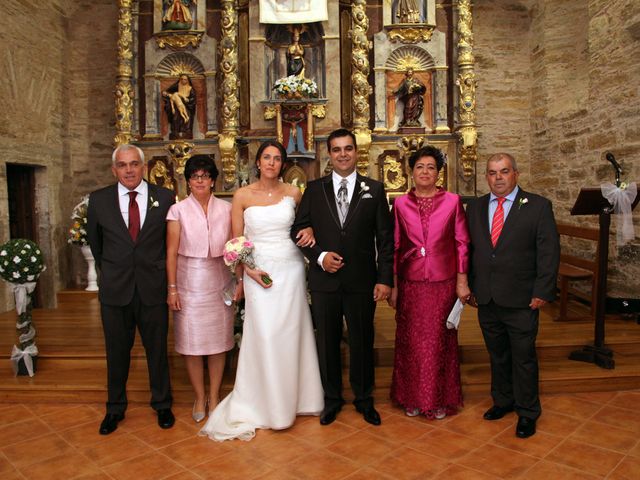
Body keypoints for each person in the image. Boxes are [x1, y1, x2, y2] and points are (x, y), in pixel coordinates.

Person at [199, 140, 323, 441]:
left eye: (277, 158)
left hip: (291, 270)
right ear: (258, 162)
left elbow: (307, 228)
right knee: (265, 334)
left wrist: (310, 232)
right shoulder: (242, 195)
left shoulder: (294, 193)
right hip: (259, 273)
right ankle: (265, 402)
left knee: (291, 332)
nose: (272, 163)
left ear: (283, 164)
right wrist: (247, 272)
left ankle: (299, 400)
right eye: (267, 157)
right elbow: (236, 240)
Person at [291, 128, 394, 426]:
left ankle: (364, 398)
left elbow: (385, 240)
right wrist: (320, 257)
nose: (343, 154)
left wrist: (385, 278)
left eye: (348, 148)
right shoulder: (314, 189)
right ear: (329, 154)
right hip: (325, 282)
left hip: (362, 280)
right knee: (327, 342)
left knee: (363, 340)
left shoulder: (374, 189)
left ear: (356, 152)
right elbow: (297, 230)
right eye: (337, 150)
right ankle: (332, 399)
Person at [466, 153, 560, 439]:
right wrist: (470, 286)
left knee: (523, 358)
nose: (498, 178)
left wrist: (542, 291)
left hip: (522, 299)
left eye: (504, 171)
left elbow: (549, 252)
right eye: (492, 173)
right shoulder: (475, 206)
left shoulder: (538, 207)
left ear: (515, 174)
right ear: (486, 177)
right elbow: (469, 251)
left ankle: (528, 411)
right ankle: (503, 401)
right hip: (487, 298)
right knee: (497, 355)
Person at [86, 144, 176, 435]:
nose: (129, 170)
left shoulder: (165, 197)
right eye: (122, 165)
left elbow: (168, 243)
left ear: (144, 166)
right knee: (116, 351)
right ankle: (114, 408)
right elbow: (96, 246)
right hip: (116, 291)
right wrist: (113, 272)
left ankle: (162, 404)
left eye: (134, 164)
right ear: (114, 170)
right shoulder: (99, 201)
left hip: (152, 287)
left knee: (158, 350)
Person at [389, 146, 470, 419]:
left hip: (443, 282)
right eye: (420, 167)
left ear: (438, 172)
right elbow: (396, 246)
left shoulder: (453, 201)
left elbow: (462, 243)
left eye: (431, 167)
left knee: (439, 343)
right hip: (411, 283)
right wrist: (394, 286)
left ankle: (438, 400)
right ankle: (411, 397)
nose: (425, 172)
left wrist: (462, 281)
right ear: (411, 172)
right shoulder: (400, 204)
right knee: (411, 343)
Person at [166, 155, 235, 423]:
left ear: (213, 180)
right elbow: (171, 252)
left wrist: (239, 281)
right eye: (195, 176)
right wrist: (172, 289)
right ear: (188, 181)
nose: (200, 181)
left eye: (205, 176)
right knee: (192, 343)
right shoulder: (178, 210)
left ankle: (215, 394)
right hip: (188, 282)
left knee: (218, 343)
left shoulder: (227, 209)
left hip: (219, 280)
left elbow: (235, 247)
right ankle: (198, 395)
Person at [163, 74, 196, 140]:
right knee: (175, 118)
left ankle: (186, 131)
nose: (183, 81)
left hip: (187, 105)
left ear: (188, 80)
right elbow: (166, 92)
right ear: (180, 80)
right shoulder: (177, 86)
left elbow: (193, 98)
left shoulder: (190, 88)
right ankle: (176, 131)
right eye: (182, 79)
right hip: (177, 105)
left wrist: (188, 100)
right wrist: (168, 95)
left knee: (187, 118)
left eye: (185, 79)